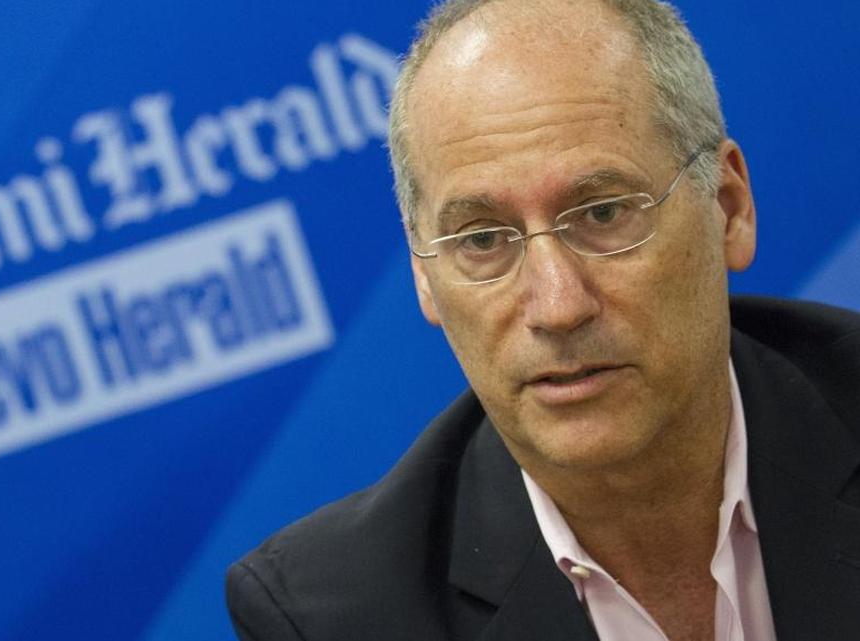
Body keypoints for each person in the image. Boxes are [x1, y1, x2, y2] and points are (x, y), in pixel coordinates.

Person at [225, 0, 860, 639]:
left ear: (729, 208)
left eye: (604, 214)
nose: (558, 306)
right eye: (481, 240)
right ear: (423, 273)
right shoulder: (338, 617)